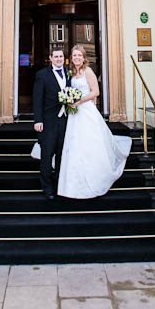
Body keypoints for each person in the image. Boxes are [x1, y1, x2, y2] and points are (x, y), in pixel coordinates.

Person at [58, 45, 132, 199]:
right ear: (71, 58)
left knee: (90, 142)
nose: (77, 58)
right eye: (74, 55)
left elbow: (95, 92)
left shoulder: (88, 71)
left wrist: (79, 101)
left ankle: (95, 176)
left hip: (85, 111)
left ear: (84, 57)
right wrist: (70, 100)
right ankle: (72, 183)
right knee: (75, 143)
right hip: (74, 114)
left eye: (79, 55)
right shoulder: (72, 72)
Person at [33, 48, 68, 200]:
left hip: (66, 120)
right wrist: (38, 120)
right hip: (48, 121)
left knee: (62, 155)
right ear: (50, 58)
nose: (59, 59)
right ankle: (47, 188)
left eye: (61, 56)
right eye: (56, 56)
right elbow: (37, 99)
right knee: (47, 155)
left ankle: (60, 185)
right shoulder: (42, 75)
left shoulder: (69, 74)